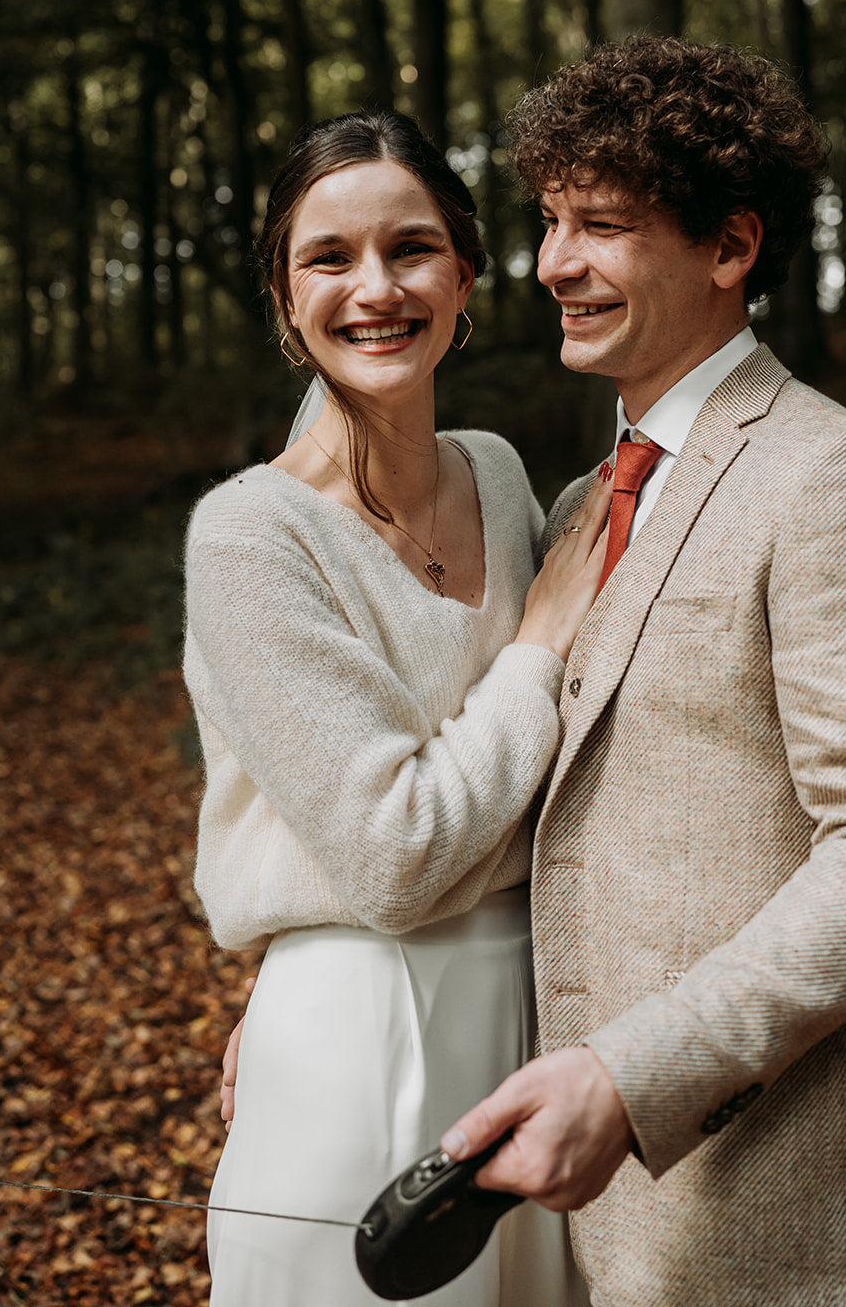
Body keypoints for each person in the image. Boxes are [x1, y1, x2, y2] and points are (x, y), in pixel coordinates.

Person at [429, 37, 846, 1306]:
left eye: (600, 226)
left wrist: (633, 1075)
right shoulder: (578, 506)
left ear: (729, 246)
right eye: (547, 222)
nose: (552, 263)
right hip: (587, 1224)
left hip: (789, 1210)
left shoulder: (843, 478)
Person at [184, 110, 606, 1306]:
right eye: (328, 257)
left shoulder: (497, 471)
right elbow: (392, 854)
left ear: (464, 274)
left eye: (410, 248)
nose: (375, 288)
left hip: (539, 1014)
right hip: (356, 1025)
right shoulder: (250, 535)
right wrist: (534, 646)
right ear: (285, 295)